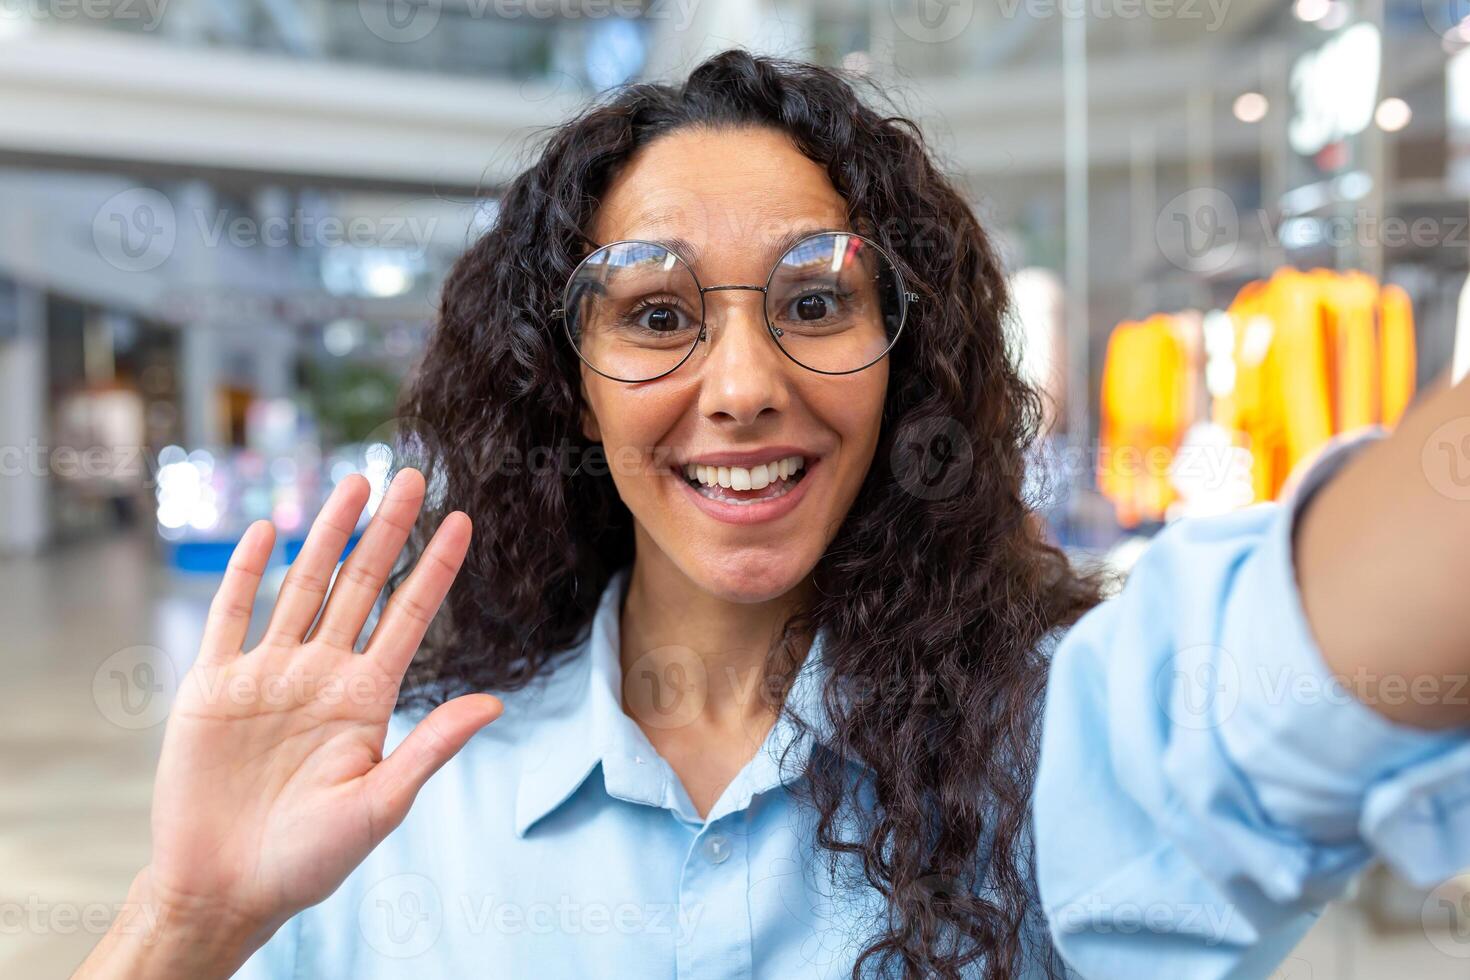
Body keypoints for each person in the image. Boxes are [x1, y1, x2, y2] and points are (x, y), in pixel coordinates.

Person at [73, 50, 1470, 980]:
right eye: (659, 316)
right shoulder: (392, 796)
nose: (741, 388)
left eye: (812, 303)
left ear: (901, 361)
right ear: (567, 387)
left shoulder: (1047, 736)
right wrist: (186, 920)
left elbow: (1332, 631)